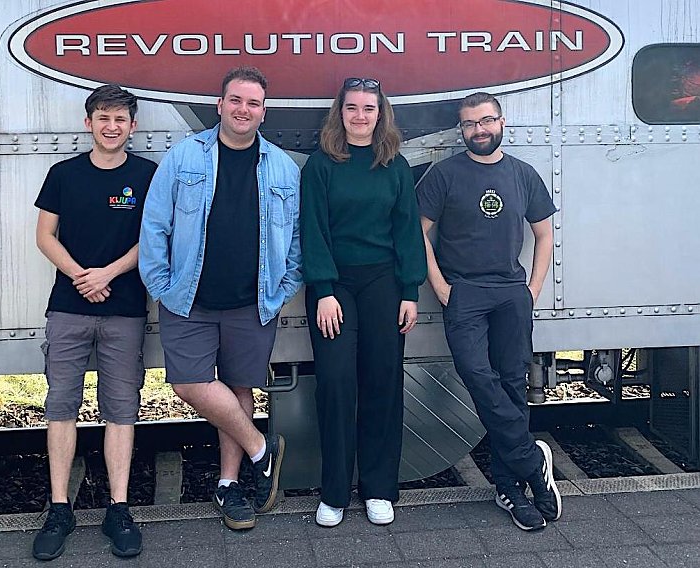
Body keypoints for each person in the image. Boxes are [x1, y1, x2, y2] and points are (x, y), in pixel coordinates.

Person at [139, 66, 301, 531]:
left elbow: (295, 241)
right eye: (235, 100)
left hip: (252, 302)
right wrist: (162, 286)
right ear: (220, 104)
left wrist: (282, 286)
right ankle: (261, 449)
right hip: (188, 299)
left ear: (263, 111)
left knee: (239, 388)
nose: (243, 110)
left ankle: (230, 486)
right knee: (189, 383)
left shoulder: (282, 167)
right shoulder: (185, 157)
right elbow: (154, 225)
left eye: (253, 103)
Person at [416, 92, 561, 531]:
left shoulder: (523, 174)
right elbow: (416, 233)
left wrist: (531, 290)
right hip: (465, 296)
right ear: (461, 130)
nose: (479, 130)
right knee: (478, 376)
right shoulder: (444, 176)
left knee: (513, 384)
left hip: (511, 295)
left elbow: (544, 235)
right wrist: (440, 287)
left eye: (486, 121)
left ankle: (510, 488)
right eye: (469, 124)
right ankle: (532, 460)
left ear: (501, 122)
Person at [32, 84, 156, 560]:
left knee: (122, 407)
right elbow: (45, 235)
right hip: (68, 307)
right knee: (61, 404)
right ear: (89, 123)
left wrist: (109, 273)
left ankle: (118, 509)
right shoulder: (63, 174)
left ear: (132, 126)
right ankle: (59, 508)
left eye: (120, 119)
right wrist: (82, 277)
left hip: (124, 307)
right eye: (103, 118)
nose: (111, 126)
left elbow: (154, 237)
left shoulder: (147, 175)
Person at [300, 77, 427, 527]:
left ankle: (378, 489)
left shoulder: (394, 165)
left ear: (380, 114)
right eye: (351, 108)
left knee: (383, 381)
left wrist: (410, 292)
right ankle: (334, 492)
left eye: (368, 109)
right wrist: (322, 290)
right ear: (340, 113)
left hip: (383, 285)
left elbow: (407, 232)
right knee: (334, 381)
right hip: (334, 286)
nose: (359, 116)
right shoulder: (320, 165)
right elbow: (311, 231)